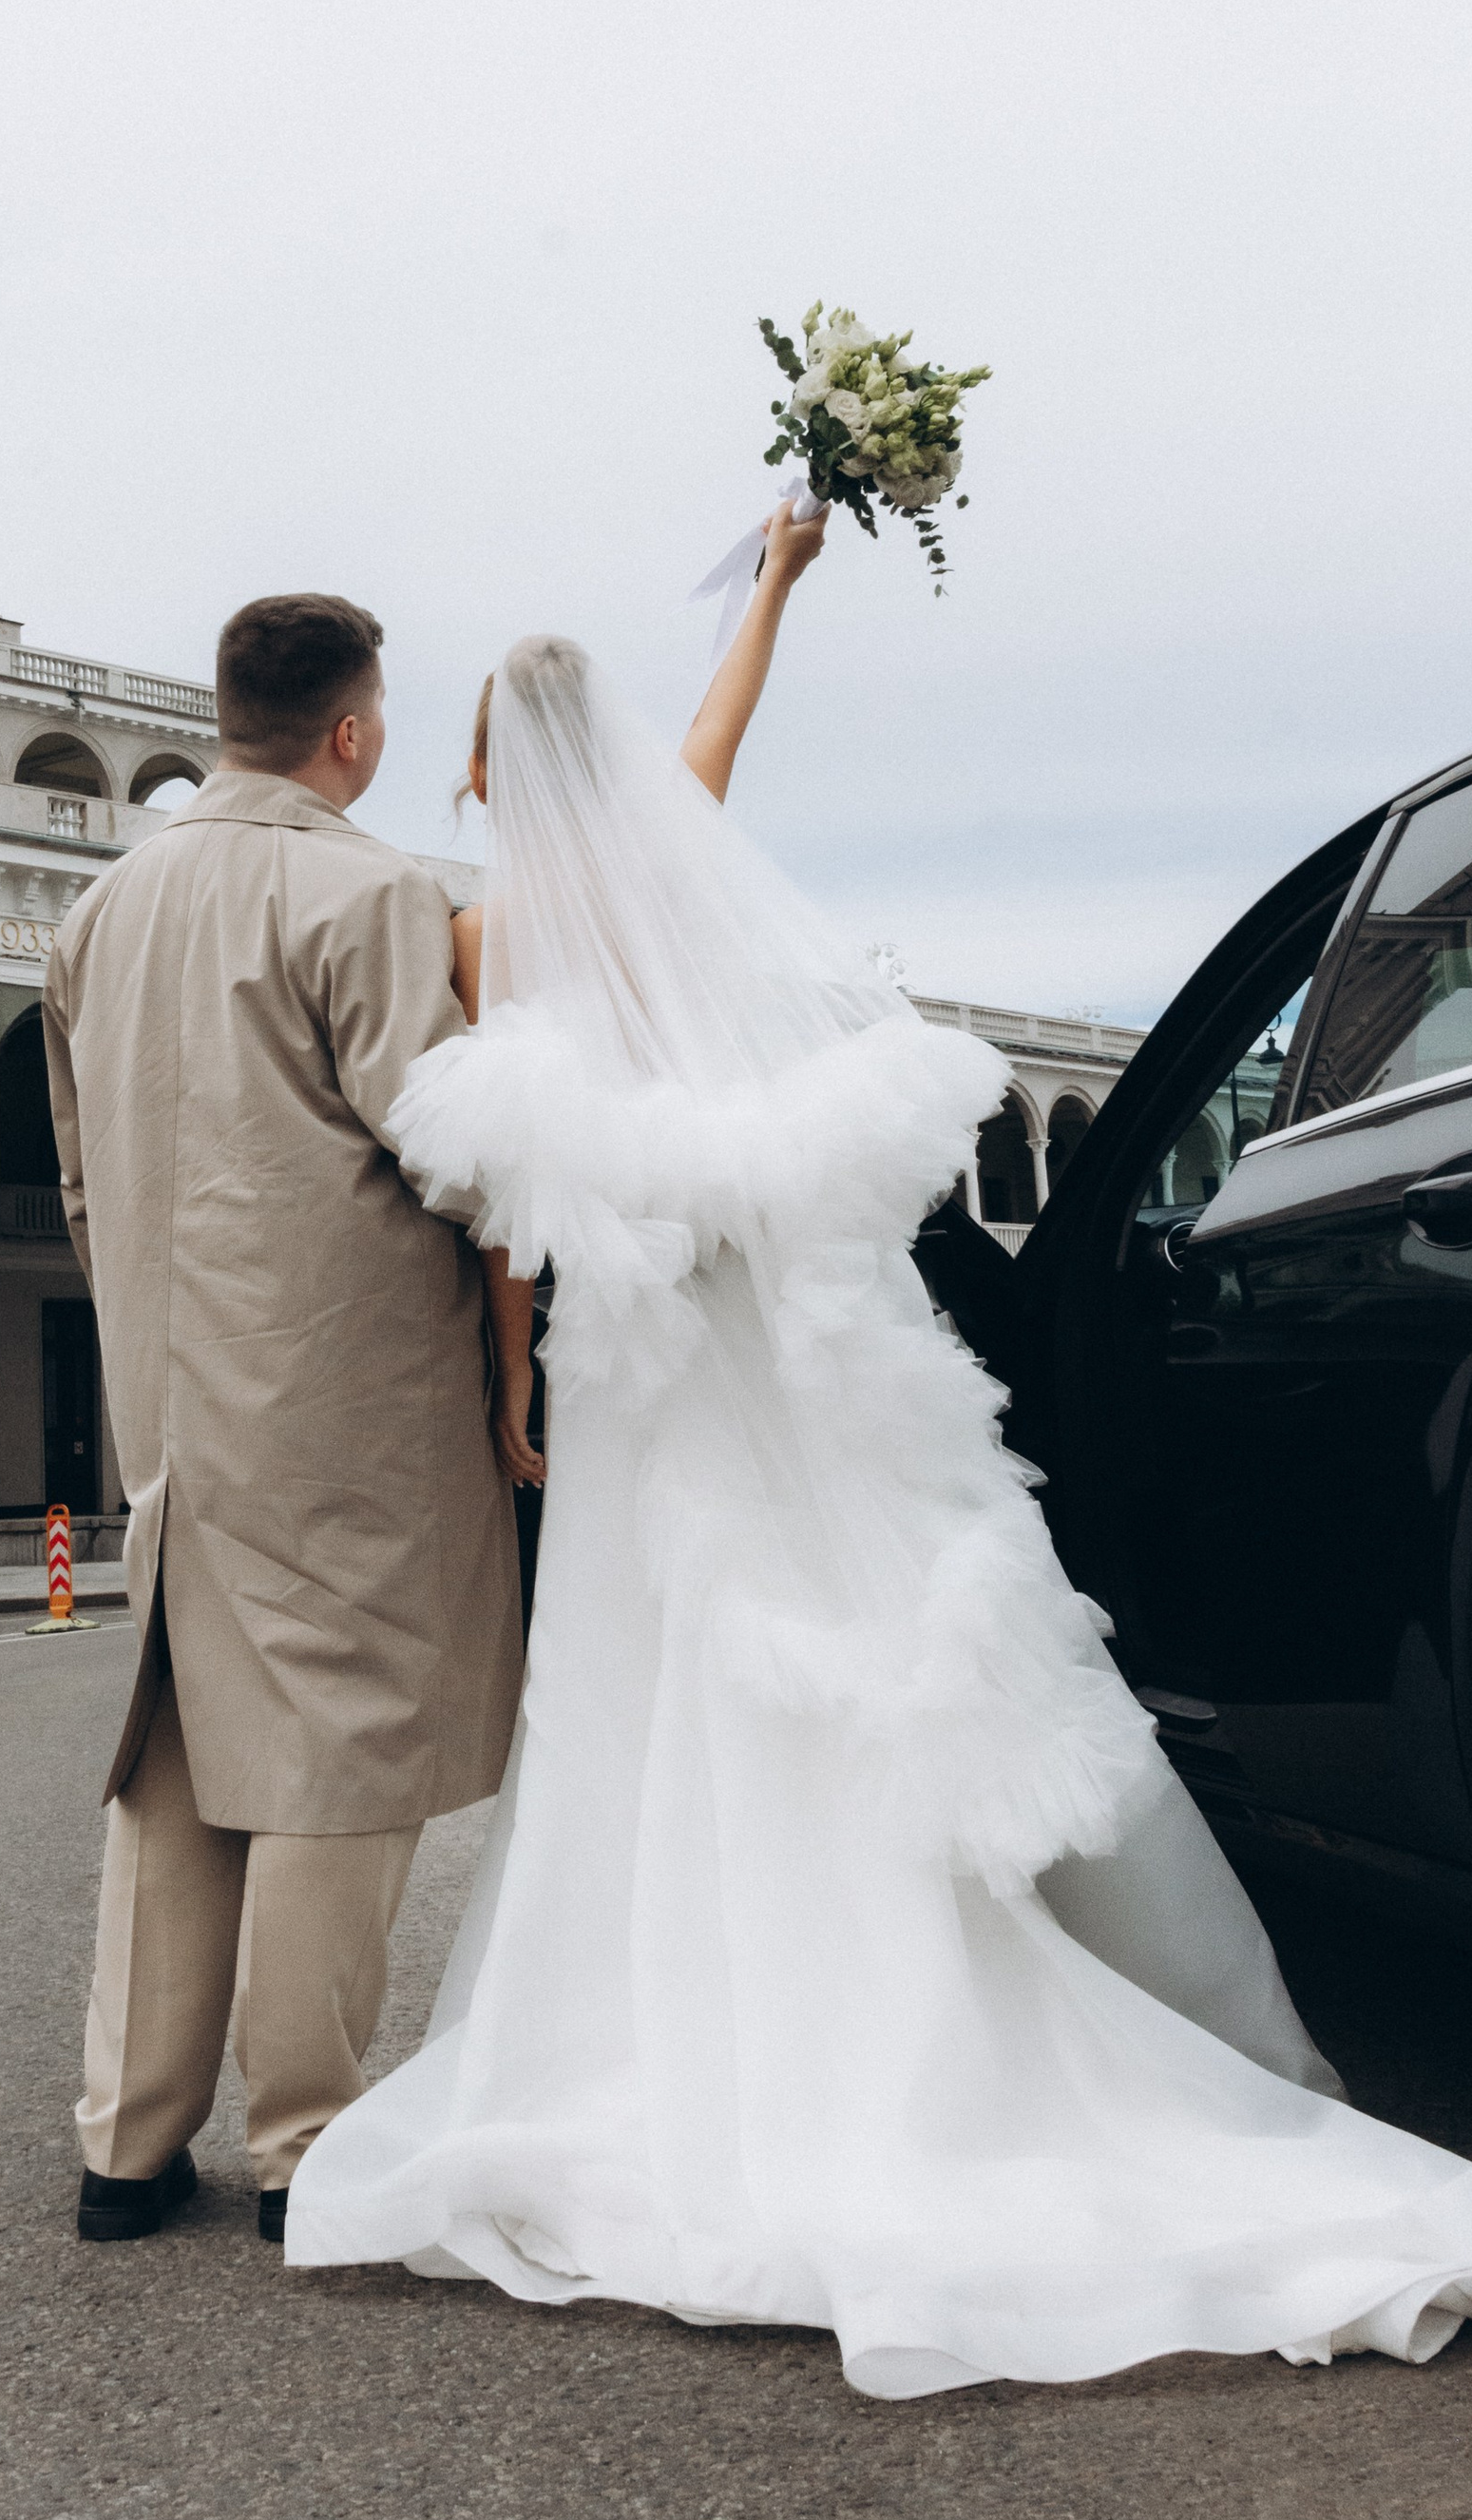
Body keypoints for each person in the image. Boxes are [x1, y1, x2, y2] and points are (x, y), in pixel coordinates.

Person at [285, 509, 1472, 2395]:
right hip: (764, 1346)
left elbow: (523, 1213)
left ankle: (696, 2038)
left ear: (492, 766)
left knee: (657, 1682)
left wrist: (511, 1386)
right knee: (830, 1651)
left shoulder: (494, 934)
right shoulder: (682, 874)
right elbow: (717, 734)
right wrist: (774, 580)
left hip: (636, 1363)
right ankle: (929, 1996)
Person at [42, 592, 524, 2248]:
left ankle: (127, 2137)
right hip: (339, 1390)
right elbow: (451, 1147)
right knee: (337, 1739)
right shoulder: (370, 891)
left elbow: (85, 1180)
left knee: (173, 1749)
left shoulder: (102, 910)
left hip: (166, 1392)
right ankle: (305, 2138)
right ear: (352, 729)